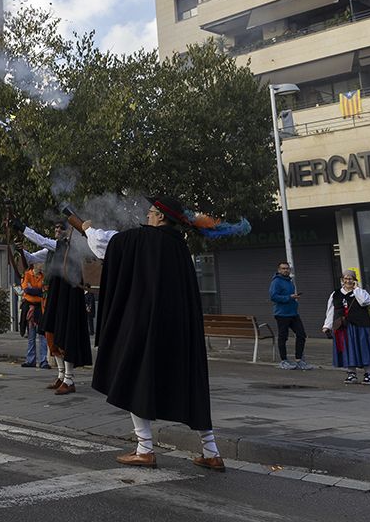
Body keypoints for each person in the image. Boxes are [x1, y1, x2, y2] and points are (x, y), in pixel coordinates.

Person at [92, 194, 249, 472]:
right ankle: (211, 452)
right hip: (180, 330)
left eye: (151, 213)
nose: (147, 217)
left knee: (135, 376)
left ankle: (144, 449)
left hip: (149, 327)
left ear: (161, 217)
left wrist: (88, 229)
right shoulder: (179, 247)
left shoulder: (144, 240)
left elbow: (109, 245)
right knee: (191, 384)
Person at [21, 221, 93, 395]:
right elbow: (31, 259)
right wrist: (19, 250)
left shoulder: (70, 247)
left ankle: (69, 379)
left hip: (68, 298)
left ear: (69, 232)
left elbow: (43, 241)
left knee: (65, 336)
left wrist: (23, 229)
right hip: (55, 296)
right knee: (52, 334)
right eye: (56, 228)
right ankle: (61, 376)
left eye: (62, 228)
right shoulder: (52, 251)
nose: (57, 230)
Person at [323, 269, 370, 385]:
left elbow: (365, 302)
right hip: (343, 327)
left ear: (354, 280)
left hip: (361, 326)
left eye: (350, 278)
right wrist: (327, 325)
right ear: (342, 280)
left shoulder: (361, 292)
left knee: (364, 349)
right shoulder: (335, 294)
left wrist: (356, 289)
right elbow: (330, 310)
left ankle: (368, 374)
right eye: (345, 278)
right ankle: (351, 373)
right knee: (347, 349)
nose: (348, 281)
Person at [270, 261, 311, 370]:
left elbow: (289, 295)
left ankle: (299, 360)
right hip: (282, 314)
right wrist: (289, 297)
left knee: (301, 334)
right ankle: (284, 360)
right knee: (283, 337)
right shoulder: (276, 282)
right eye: (283, 268)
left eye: (287, 268)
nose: (285, 270)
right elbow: (273, 296)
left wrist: (294, 298)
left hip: (293, 313)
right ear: (279, 270)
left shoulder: (290, 281)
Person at [19, 259, 49, 368]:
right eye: (40, 262)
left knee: (42, 335)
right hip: (30, 307)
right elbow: (26, 290)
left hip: (40, 308)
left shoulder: (44, 277)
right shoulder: (27, 274)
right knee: (31, 335)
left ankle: (43, 361)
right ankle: (30, 360)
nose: (42, 265)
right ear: (35, 264)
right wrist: (38, 291)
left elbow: (45, 291)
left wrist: (34, 290)